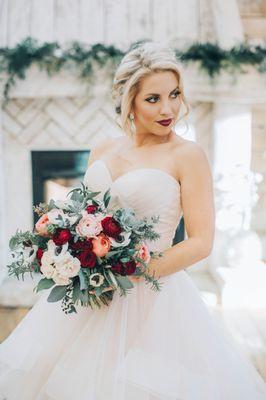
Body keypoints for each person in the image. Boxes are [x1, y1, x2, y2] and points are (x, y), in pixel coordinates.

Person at [0, 41, 266, 400]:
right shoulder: (103, 149)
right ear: (129, 101)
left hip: (152, 292)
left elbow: (202, 241)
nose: (168, 108)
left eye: (174, 94)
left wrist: (135, 268)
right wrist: (70, 249)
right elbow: (88, 217)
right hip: (94, 288)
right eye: (153, 98)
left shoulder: (187, 155)